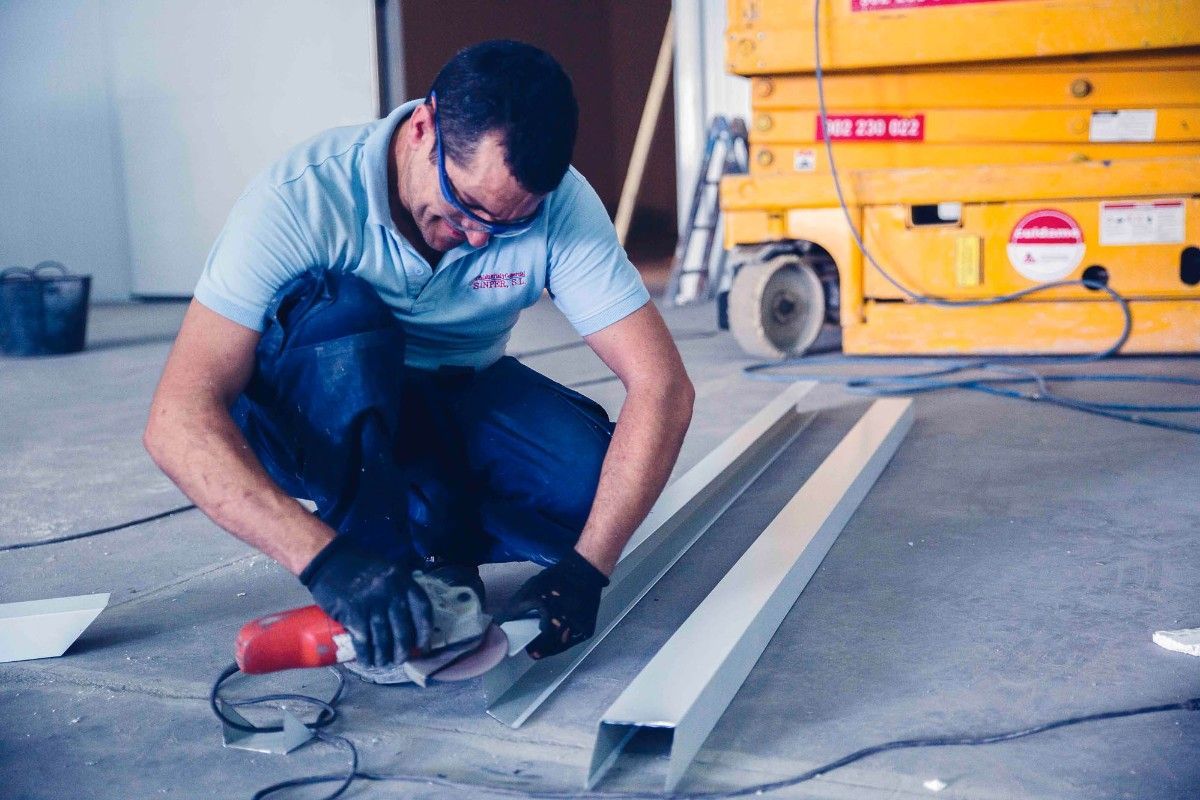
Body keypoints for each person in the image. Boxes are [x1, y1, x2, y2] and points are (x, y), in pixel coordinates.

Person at [143, 40, 694, 676]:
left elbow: (662, 387)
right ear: (423, 127)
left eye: (511, 224)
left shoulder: (563, 206)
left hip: (456, 392)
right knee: (343, 324)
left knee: (593, 490)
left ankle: (437, 530)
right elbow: (177, 415)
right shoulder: (302, 198)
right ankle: (379, 546)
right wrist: (326, 562)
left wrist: (587, 569)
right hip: (312, 412)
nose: (481, 237)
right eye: (468, 207)